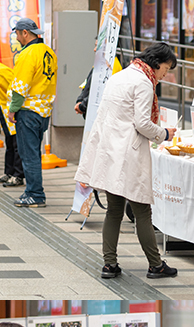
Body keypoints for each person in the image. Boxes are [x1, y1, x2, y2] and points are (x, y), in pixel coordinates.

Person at [75, 42, 179, 280]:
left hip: (110, 151)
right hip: (129, 154)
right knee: (142, 211)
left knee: (114, 211)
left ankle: (109, 265)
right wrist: (164, 134)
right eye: (166, 68)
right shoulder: (143, 83)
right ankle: (155, 265)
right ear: (156, 63)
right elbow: (142, 124)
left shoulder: (120, 76)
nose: (166, 74)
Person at [8, 18, 56, 208]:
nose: (17, 38)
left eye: (18, 34)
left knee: (29, 156)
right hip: (43, 111)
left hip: (28, 111)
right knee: (33, 153)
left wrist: (12, 109)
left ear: (25, 33)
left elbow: (21, 86)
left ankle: (35, 194)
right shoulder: (49, 52)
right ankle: (33, 192)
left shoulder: (27, 54)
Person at [0, 63, 25, 188]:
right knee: (9, 142)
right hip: (3, 110)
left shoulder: (3, 71)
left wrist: (14, 108)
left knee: (16, 143)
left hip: (10, 109)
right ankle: (9, 172)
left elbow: (15, 89)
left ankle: (18, 175)